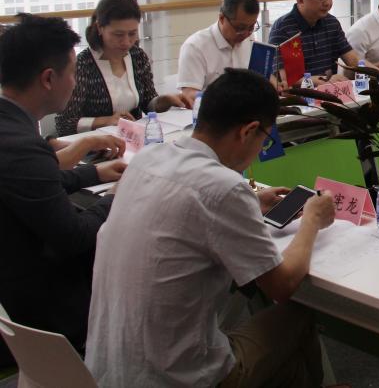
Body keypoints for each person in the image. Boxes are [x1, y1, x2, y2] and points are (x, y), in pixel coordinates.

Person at [85, 69, 338, 387]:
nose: (260, 150)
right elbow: (282, 285)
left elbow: (185, 209)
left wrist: (252, 203)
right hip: (175, 380)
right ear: (248, 131)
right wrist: (312, 220)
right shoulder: (225, 187)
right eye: (264, 140)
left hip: (105, 370)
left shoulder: (149, 158)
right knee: (297, 315)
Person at [0, 14, 126, 365]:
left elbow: (34, 181)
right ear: (48, 79)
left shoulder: (11, 128)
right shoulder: (22, 146)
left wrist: (94, 173)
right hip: (39, 309)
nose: (74, 83)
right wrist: (116, 196)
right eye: (71, 73)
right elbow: (75, 237)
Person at [55, 0, 188, 136]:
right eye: (118, 35)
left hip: (134, 138)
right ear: (100, 28)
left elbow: (148, 103)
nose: (126, 42)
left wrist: (165, 101)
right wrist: (106, 121)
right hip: (96, 142)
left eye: (132, 33)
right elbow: (65, 124)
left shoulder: (137, 56)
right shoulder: (83, 65)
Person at [267, 0, 370, 85]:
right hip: (300, 94)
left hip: (330, 92)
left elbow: (353, 60)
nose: (327, 2)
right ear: (300, 0)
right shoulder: (283, 28)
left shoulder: (331, 23)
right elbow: (286, 79)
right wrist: (326, 81)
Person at [177, 0, 260, 106]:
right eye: (240, 28)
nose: (246, 33)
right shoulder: (195, 47)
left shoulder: (249, 39)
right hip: (211, 112)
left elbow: (259, 76)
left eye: (251, 27)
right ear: (222, 18)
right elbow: (188, 95)